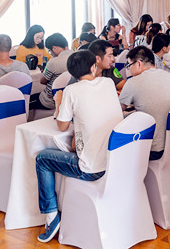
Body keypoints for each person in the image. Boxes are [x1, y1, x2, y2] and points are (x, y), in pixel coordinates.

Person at [34, 50, 122, 243]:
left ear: (72, 73)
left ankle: (51, 216)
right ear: (93, 67)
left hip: (92, 169)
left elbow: (62, 126)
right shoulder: (108, 83)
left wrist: (59, 101)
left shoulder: (72, 91)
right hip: (116, 162)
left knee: (42, 159)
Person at [118, 46, 170, 160]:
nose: (129, 70)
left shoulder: (132, 82)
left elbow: (118, 110)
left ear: (138, 64)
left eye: (129, 66)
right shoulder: (167, 76)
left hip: (154, 150)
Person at [31, 33, 73, 110]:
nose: (51, 54)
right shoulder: (78, 56)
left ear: (54, 48)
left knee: (28, 100)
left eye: (50, 51)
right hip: (70, 99)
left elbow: (42, 81)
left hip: (51, 101)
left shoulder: (53, 61)